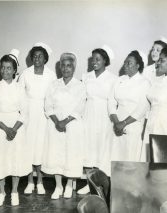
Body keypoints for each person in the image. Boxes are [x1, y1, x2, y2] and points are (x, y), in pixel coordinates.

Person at [0, 50, 32, 207]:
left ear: (14, 71)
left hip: (16, 127)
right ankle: (1, 192)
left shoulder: (20, 88)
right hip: (0, 128)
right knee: (0, 160)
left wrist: (14, 129)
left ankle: (14, 191)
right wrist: (6, 129)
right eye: (2, 68)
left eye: (8, 68)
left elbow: (25, 112)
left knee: (15, 160)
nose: (5, 71)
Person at [42, 53, 86, 199]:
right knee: (56, 155)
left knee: (71, 155)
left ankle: (68, 185)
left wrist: (65, 121)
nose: (66, 68)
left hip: (72, 125)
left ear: (74, 67)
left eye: (69, 65)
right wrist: (57, 122)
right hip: (55, 125)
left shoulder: (80, 86)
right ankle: (58, 186)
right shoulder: (54, 85)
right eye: (63, 65)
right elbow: (48, 105)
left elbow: (79, 107)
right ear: (60, 67)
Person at [78, 46, 118, 194]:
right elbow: (82, 98)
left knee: (102, 148)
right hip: (88, 114)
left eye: (98, 59)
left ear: (105, 61)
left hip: (104, 116)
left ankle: (100, 184)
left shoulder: (113, 79)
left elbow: (113, 100)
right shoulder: (86, 76)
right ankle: (89, 184)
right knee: (88, 148)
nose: (94, 62)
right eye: (92, 59)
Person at [19, 43, 56, 195]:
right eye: (34, 56)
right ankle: (29, 181)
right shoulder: (25, 74)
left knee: (41, 147)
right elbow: (20, 95)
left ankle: (39, 181)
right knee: (28, 147)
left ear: (45, 59)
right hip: (28, 114)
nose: (37, 59)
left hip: (44, 114)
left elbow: (53, 96)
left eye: (40, 56)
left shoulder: (51, 74)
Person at [108, 51, 150, 161]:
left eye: (129, 63)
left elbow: (142, 108)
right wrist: (117, 122)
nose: (125, 65)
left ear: (138, 66)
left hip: (134, 125)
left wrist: (124, 123)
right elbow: (111, 102)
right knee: (116, 158)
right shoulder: (119, 80)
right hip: (117, 124)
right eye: (125, 62)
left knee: (131, 159)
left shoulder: (144, 83)